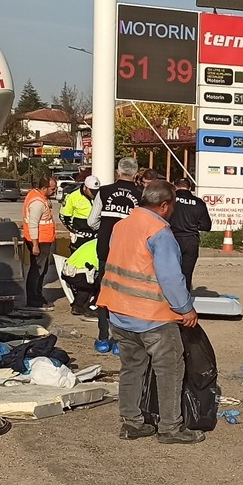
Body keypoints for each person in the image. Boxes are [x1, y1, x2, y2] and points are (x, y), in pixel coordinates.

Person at [99, 179, 203, 445]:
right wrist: (186, 309)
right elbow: (171, 277)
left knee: (131, 368)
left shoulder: (121, 226)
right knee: (169, 369)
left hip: (119, 312)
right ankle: (170, 428)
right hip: (153, 317)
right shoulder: (160, 232)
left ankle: (131, 423)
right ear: (165, 205)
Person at [87, 158, 142, 354]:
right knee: (126, 295)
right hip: (130, 253)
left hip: (106, 250)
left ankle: (103, 338)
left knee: (104, 293)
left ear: (117, 172)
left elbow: (92, 220)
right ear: (135, 174)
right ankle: (121, 341)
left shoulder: (104, 191)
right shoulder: (141, 194)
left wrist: (104, 230)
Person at [22, 176, 58, 310]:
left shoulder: (39, 197)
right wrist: (35, 245)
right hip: (39, 241)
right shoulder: (37, 202)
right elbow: (33, 224)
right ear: (44, 188)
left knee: (42, 270)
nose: (55, 191)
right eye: (52, 189)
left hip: (42, 240)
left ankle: (37, 296)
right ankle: (34, 299)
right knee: (37, 271)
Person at [169, 177, 212, 291]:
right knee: (186, 274)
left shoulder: (169, 200)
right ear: (190, 188)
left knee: (169, 273)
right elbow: (206, 226)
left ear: (175, 186)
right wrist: (193, 225)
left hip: (171, 239)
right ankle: (184, 302)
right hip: (191, 241)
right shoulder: (199, 203)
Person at [61, 238, 100, 320]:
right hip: (81, 274)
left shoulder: (94, 242)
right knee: (103, 281)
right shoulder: (105, 245)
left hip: (68, 271)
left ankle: (78, 306)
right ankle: (91, 306)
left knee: (85, 286)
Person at [61, 175, 100, 248]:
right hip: (80, 237)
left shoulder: (100, 195)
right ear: (85, 187)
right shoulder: (73, 196)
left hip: (95, 236)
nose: (94, 193)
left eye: (96, 191)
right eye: (91, 191)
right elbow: (64, 216)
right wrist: (74, 231)